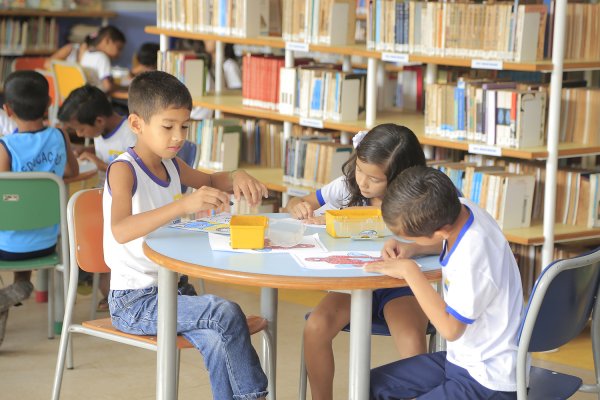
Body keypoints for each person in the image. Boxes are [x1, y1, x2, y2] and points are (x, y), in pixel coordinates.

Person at [104, 70, 269, 399]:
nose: (177, 136)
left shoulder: (172, 165)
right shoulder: (124, 169)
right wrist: (182, 206)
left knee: (220, 337)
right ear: (137, 124)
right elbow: (120, 230)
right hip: (134, 302)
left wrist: (237, 175)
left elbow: (209, 180)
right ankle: (257, 396)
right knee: (225, 313)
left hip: (174, 293)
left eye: (184, 126)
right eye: (168, 126)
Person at [283, 124, 430, 400]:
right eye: (360, 169)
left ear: (400, 177)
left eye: (374, 179)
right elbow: (300, 201)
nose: (363, 182)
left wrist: (412, 248)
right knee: (315, 327)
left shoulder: (421, 197)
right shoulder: (347, 186)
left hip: (398, 284)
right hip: (352, 281)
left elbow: (451, 234)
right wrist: (297, 206)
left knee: (412, 343)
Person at [365, 166, 523, 399]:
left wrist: (411, 273)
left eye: (408, 236)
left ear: (439, 231)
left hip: (489, 379)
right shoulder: (462, 207)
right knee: (368, 385)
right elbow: (448, 238)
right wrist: (415, 247)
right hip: (461, 361)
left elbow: (450, 330)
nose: (405, 239)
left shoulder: (474, 259)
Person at [0, 70, 79, 347]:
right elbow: (71, 171)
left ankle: (15, 290)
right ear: (49, 103)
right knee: (24, 223)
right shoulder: (60, 136)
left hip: (6, 248)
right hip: (47, 244)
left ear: (7, 110)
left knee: (12, 222)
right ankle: (20, 286)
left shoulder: (5, 148)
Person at [57, 84, 137, 311]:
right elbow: (104, 151)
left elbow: (134, 171)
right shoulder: (101, 132)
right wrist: (86, 151)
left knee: (84, 230)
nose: (80, 135)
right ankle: (93, 279)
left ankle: (105, 287)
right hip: (103, 198)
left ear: (99, 121)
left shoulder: (129, 134)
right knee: (73, 220)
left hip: (126, 203)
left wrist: (99, 163)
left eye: (81, 130)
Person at [79, 25, 126, 93]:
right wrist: (124, 88)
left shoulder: (86, 54)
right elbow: (108, 87)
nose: (120, 54)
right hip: (98, 99)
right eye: (119, 48)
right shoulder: (103, 58)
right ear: (107, 41)